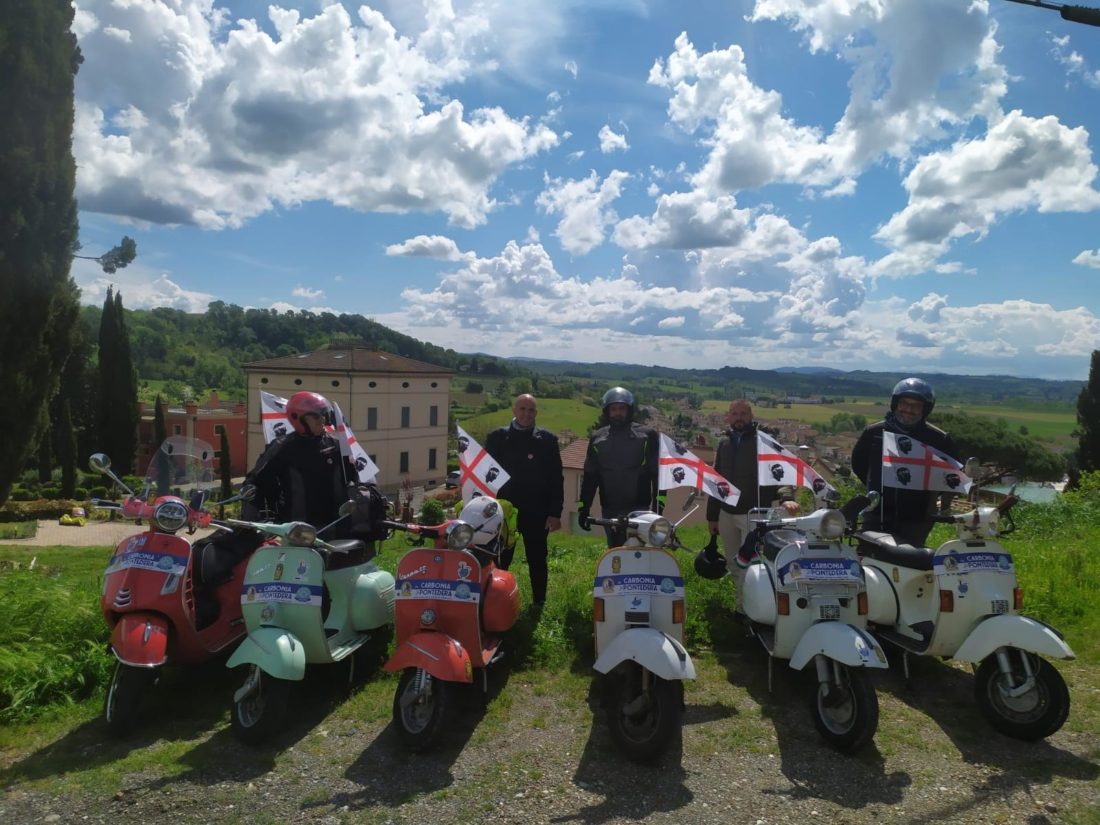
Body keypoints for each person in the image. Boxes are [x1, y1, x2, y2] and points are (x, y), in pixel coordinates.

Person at [706, 400, 799, 611]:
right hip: (726, 513)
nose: (739, 417)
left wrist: (786, 497)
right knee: (733, 563)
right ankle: (741, 605)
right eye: (734, 413)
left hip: (753, 514)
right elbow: (716, 480)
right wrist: (712, 516)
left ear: (751, 416)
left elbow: (780, 470)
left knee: (749, 563)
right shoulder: (724, 443)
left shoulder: (763, 441)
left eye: (743, 413)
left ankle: (750, 610)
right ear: (728, 417)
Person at [851, 377, 959, 546]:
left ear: (925, 409)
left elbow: (951, 474)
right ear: (895, 403)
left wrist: (926, 495)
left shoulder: (939, 439)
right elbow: (859, 464)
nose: (909, 409)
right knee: (870, 554)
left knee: (910, 558)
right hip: (877, 512)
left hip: (917, 517)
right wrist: (878, 483)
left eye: (916, 405)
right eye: (904, 403)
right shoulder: (874, 432)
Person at [485, 394, 564, 605]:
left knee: (537, 558)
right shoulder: (496, 438)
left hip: (536, 510)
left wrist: (555, 512)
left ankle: (539, 603)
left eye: (531, 410)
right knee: (500, 559)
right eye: (522, 409)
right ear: (514, 410)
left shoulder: (547, 440)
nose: (526, 414)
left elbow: (556, 478)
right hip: (504, 511)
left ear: (536, 413)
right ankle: (495, 601)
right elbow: (485, 475)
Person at [243, 391, 357, 534]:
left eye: (323, 415)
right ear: (297, 418)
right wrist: (257, 522)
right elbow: (256, 482)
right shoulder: (282, 448)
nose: (322, 419)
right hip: (299, 531)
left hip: (337, 526)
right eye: (315, 416)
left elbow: (352, 478)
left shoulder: (336, 444)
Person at [578, 387, 660, 547]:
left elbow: (657, 475)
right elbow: (590, 478)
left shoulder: (647, 436)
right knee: (615, 553)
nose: (617, 413)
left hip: (640, 509)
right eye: (613, 409)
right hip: (610, 510)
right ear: (607, 411)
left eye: (621, 409)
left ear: (629, 410)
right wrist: (583, 508)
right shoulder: (597, 439)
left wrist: (658, 508)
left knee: (640, 552)